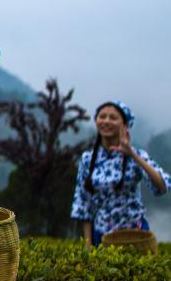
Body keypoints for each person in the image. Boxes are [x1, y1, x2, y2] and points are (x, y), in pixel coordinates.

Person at [70, 100, 167, 246]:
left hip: (135, 234)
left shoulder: (137, 155)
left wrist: (132, 154)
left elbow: (161, 185)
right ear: (96, 121)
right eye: (102, 116)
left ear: (125, 125)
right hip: (101, 235)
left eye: (113, 118)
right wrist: (88, 246)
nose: (106, 121)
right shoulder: (87, 159)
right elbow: (84, 204)